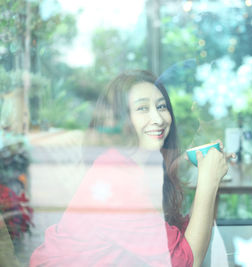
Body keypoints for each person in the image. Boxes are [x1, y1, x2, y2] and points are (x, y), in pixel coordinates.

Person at [30, 70, 229, 267]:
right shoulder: (115, 180)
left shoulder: (139, 168)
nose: (158, 119)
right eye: (143, 108)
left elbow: (182, 243)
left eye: (161, 106)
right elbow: (186, 263)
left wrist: (211, 178)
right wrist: (208, 182)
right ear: (119, 120)